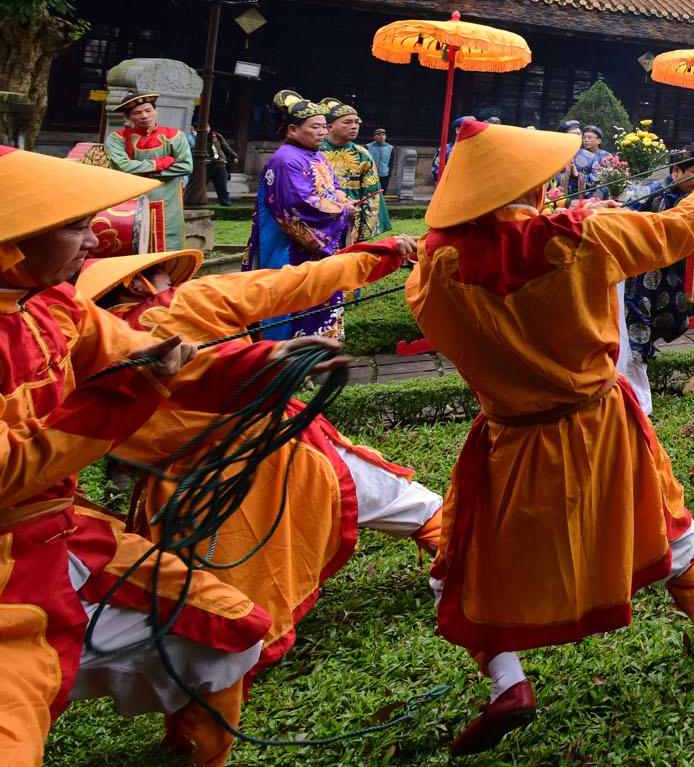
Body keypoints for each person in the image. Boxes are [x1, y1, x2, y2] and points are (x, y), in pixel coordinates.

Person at [407, 121, 694, 755]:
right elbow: (679, 229)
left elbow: (459, 269)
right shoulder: (585, 234)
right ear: (535, 184)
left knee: (468, 561)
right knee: (665, 528)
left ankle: (506, 682)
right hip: (602, 425)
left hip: (512, 440)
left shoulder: (434, 270)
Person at [0, 144, 346, 767]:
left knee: (235, 629)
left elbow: (147, 358)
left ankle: (190, 746)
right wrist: (134, 389)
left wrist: (265, 361)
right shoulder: (153, 305)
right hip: (16, 567)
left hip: (71, 536)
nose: (93, 244)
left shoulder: (55, 307)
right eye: (77, 227)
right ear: (14, 242)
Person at [77, 239, 441, 710]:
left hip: (190, 493)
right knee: (413, 506)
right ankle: (466, 575)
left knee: (216, 610)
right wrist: (385, 254)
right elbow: (302, 281)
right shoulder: (195, 300)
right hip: (281, 450)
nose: (172, 278)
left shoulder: (75, 355)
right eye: (165, 271)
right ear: (137, 281)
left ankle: (199, 726)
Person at [619, 149, 694, 413]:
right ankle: (639, 405)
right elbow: (619, 222)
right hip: (639, 276)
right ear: (676, 171)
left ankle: (639, 368)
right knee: (638, 333)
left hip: (668, 275)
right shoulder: (649, 194)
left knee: (676, 318)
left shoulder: (690, 199)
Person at [245, 90, 355, 339]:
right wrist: (343, 210)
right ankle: (286, 357)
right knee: (291, 303)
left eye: (324, 127)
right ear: (292, 129)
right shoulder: (285, 160)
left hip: (311, 246)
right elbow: (300, 206)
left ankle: (312, 358)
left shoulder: (314, 154)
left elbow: (333, 187)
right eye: (315, 127)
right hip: (289, 248)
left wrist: (342, 200)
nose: (323, 133)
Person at [104, 92, 194, 250]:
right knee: (132, 245)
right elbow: (122, 167)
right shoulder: (117, 139)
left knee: (168, 244)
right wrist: (160, 163)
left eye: (148, 110)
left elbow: (186, 166)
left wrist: (141, 171)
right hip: (131, 202)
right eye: (137, 113)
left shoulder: (175, 136)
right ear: (128, 117)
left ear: (156, 110)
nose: (144, 116)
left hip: (169, 203)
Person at [319, 99, 392, 242]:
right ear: (330, 126)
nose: (354, 127)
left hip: (352, 218)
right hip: (320, 216)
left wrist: (365, 230)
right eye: (347, 122)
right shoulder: (315, 151)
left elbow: (371, 193)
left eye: (357, 122)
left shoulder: (362, 154)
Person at [567, 125, 613, 200]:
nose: (586, 140)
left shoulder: (607, 157)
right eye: (584, 137)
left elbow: (605, 179)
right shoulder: (575, 154)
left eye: (589, 137)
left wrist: (578, 175)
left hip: (598, 195)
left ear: (599, 140)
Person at [204, 126, 237, 207]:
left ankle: (226, 204)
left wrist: (234, 156)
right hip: (206, 165)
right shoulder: (197, 136)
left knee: (222, 186)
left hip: (220, 164)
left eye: (207, 126)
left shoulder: (216, 136)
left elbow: (225, 146)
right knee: (201, 185)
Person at [366, 126, 395, 193]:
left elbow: (391, 162)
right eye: (379, 135)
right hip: (371, 174)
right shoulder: (368, 147)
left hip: (384, 174)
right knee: (370, 193)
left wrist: (389, 172)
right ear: (374, 137)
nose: (381, 136)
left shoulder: (390, 148)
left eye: (383, 135)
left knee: (382, 193)